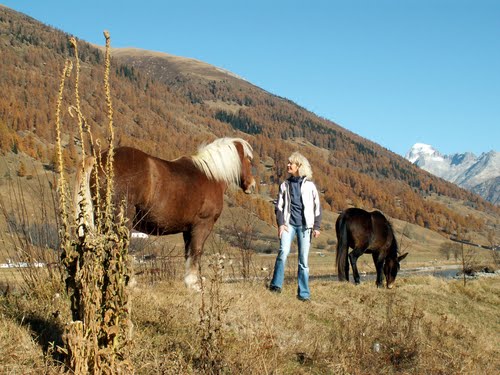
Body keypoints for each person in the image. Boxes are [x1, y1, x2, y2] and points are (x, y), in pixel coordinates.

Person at [269, 151, 321, 301]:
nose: (288, 165)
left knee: (303, 260)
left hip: (305, 227)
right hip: (288, 225)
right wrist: (280, 224)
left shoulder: (310, 186)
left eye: (291, 163)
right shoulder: (284, 185)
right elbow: (278, 207)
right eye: (288, 162)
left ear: (299, 166)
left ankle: (303, 294)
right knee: (282, 252)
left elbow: (317, 207)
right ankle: (276, 286)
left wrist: (316, 227)